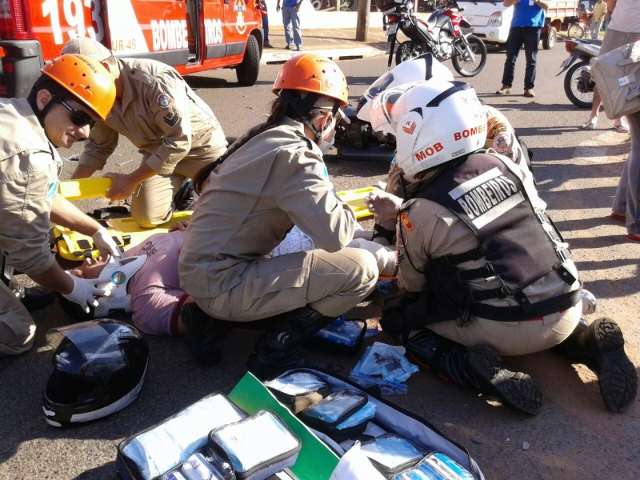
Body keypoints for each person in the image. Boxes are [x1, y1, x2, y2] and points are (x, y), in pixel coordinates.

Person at [371, 79, 637, 414]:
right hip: (567, 301)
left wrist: (391, 222)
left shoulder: (421, 211)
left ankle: (472, 368)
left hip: (504, 328)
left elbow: (412, 284)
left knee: (399, 318)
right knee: (535, 301)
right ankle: (588, 343)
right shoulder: (506, 164)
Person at [178, 54, 379, 375]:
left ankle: (206, 319)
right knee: (361, 269)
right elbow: (335, 236)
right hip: (223, 283)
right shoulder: (296, 154)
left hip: (200, 272)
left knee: (305, 253)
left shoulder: (260, 137)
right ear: (324, 119)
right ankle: (276, 351)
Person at [0, 54, 121, 356]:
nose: (85, 133)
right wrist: (72, 287)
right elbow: (31, 256)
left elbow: (38, 196)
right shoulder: (29, 155)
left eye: (91, 123)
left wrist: (94, 229)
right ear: (44, 98)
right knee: (18, 334)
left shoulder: (14, 114)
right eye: (80, 118)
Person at [61, 37, 228, 228]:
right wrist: (66, 195)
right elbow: (99, 146)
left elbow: (180, 140)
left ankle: (196, 186)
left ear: (105, 68)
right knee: (146, 218)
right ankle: (182, 190)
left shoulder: (154, 81)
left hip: (201, 148)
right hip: (157, 155)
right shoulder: (98, 92)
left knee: (224, 215)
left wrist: (130, 181)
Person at [580, 0, 639, 131]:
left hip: (629, 31)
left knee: (628, 78)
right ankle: (595, 116)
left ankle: (618, 119)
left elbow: (611, 6)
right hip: (618, 29)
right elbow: (610, 5)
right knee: (602, 71)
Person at [496, 0, 549, 98]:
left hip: (533, 28)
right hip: (516, 27)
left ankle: (528, 88)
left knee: (531, 59)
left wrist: (537, 1)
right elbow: (505, 3)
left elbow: (546, 6)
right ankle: (506, 86)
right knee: (510, 57)